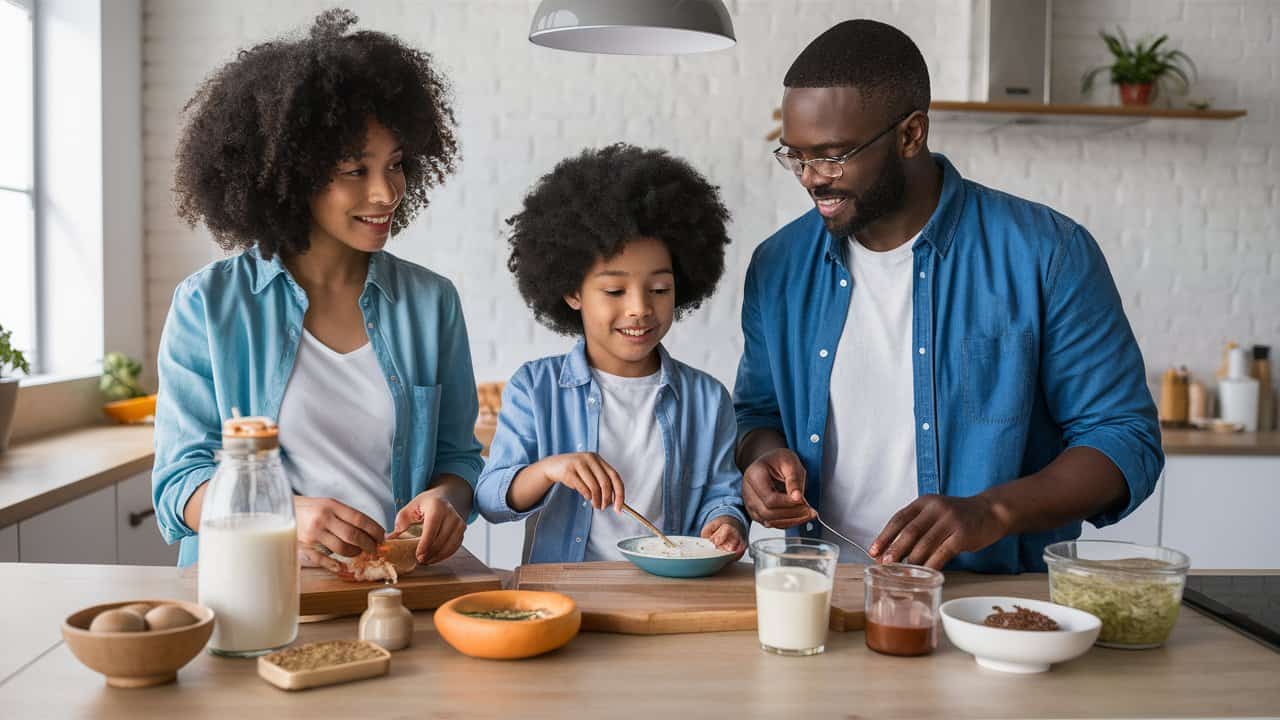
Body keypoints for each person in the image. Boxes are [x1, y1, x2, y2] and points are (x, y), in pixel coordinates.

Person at [734, 19, 1163, 573]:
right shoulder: (778, 266)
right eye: (797, 156)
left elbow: (1124, 439)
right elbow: (757, 412)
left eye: (834, 156)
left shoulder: (1048, 254)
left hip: (990, 608)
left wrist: (993, 510)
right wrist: (763, 457)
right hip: (824, 598)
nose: (812, 179)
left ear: (911, 134)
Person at [153, 9, 482, 569]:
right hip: (248, 590)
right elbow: (179, 486)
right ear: (291, 172)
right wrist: (281, 513)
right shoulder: (208, 305)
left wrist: (448, 500)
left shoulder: (432, 303)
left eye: (396, 165)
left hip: (393, 592)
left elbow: (458, 460)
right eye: (356, 170)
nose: (386, 194)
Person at [475, 144, 748, 562]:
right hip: (566, 599)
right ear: (571, 291)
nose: (640, 307)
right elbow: (492, 500)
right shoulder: (535, 388)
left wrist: (725, 523)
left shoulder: (708, 400)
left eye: (659, 289)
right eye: (615, 291)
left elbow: (723, 494)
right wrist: (550, 469)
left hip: (669, 601)